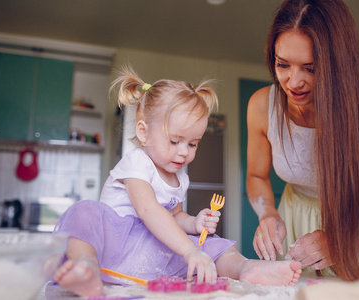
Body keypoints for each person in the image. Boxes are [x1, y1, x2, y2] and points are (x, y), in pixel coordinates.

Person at [53, 66, 302, 297]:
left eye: (193, 144)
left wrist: (195, 222)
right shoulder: (137, 162)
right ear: (143, 133)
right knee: (82, 211)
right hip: (113, 246)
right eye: (175, 141)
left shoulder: (180, 176)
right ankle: (85, 267)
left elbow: (174, 216)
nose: (184, 152)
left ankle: (244, 267)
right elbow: (148, 210)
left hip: (150, 250)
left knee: (215, 244)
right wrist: (189, 250)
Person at [246, 0, 359, 281]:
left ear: (339, 65)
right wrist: (268, 215)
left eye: (310, 68)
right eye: (282, 64)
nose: (293, 82)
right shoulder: (262, 106)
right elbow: (255, 175)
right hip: (296, 226)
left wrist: (341, 242)